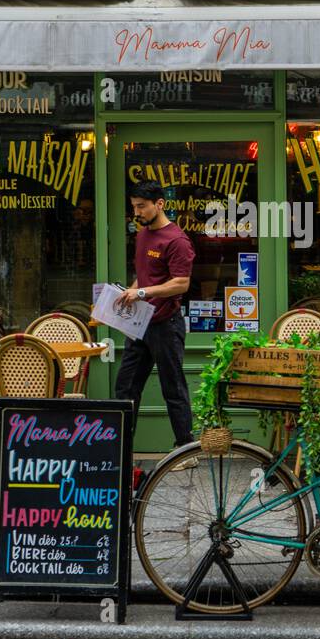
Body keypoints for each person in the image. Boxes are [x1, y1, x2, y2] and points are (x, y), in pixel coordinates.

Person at [114, 181, 198, 458]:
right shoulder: (142, 235)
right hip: (141, 323)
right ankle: (120, 449)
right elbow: (145, 276)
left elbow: (181, 284)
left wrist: (141, 291)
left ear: (159, 204)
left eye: (141, 207)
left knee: (173, 387)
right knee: (125, 387)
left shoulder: (176, 240)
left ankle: (185, 451)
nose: (136, 212)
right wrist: (129, 292)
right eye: (133, 207)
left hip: (166, 323)